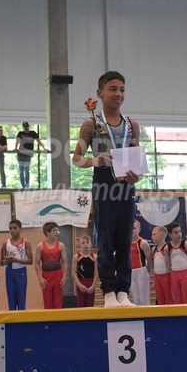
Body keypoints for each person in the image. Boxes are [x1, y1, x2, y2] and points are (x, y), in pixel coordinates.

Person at [72, 71, 142, 308]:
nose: (118, 94)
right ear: (99, 93)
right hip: (103, 183)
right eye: (112, 89)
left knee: (125, 239)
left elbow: (137, 161)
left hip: (126, 185)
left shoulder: (132, 125)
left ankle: (123, 291)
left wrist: (137, 177)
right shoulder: (91, 124)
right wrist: (95, 161)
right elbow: (76, 158)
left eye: (122, 89)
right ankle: (109, 292)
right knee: (106, 239)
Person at [1, 219, 33, 311]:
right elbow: (2, 263)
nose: (12, 230)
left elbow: (30, 261)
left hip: (21, 272)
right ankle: (12, 317)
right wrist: (7, 260)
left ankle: (21, 318)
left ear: (20, 229)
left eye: (15, 228)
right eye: (10, 228)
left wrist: (16, 260)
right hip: (9, 273)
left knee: (21, 299)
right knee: (11, 299)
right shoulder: (5, 243)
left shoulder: (25, 242)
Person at [34, 222, 67, 309]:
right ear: (47, 232)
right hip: (46, 277)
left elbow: (64, 262)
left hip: (58, 276)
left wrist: (64, 277)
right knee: (48, 303)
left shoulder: (61, 246)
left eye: (57, 230)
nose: (57, 232)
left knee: (58, 303)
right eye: (54, 230)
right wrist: (40, 278)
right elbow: (37, 263)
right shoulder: (40, 246)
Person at [165, 222, 187, 304]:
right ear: (170, 234)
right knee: (177, 298)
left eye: (180, 231)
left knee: (186, 298)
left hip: (185, 273)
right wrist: (173, 274)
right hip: (174, 274)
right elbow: (168, 264)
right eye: (176, 232)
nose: (179, 234)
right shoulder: (167, 248)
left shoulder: (186, 245)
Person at [14, 122, 50, 189]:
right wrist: (15, 148)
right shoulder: (20, 133)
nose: (26, 128)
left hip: (28, 155)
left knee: (26, 170)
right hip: (21, 154)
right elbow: (17, 141)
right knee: (21, 171)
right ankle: (23, 186)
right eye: (25, 127)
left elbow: (39, 141)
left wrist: (44, 148)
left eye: (27, 126)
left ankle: (27, 185)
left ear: (28, 126)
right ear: (23, 127)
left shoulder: (33, 133)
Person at [72, 235, 98, 308]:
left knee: (90, 305)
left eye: (87, 242)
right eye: (83, 243)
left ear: (91, 244)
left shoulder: (94, 257)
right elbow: (73, 273)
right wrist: (79, 285)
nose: (85, 244)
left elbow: (96, 273)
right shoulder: (76, 257)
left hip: (91, 282)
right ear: (80, 245)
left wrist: (93, 286)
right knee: (81, 306)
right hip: (80, 282)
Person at [130, 220, 152, 305]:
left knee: (144, 299)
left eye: (134, 228)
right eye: (130, 228)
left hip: (141, 271)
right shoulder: (126, 243)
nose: (132, 230)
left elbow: (150, 259)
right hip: (131, 272)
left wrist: (147, 272)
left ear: (139, 229)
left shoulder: (143, 243)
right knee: (136, 299)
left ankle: (147, 314)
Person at [151, 226, 173, 305]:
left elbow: (171, 264)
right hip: (157, 277)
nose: (152, 236)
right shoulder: (153, 249)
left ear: (162, 235)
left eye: (154, 234)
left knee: (168, 298)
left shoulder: (167, 248)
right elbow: (155, 265)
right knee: (160, 299)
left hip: (167, 276)